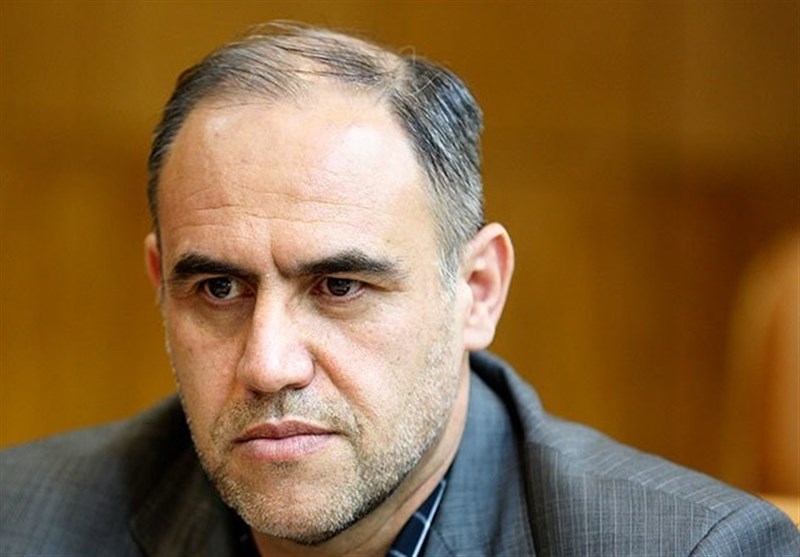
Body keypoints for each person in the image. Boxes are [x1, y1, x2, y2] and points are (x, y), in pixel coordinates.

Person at [1, 23, 797, 557]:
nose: (268, 363)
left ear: (477, 291)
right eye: (217, 287)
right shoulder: (21, 521)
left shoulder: (698, 549)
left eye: (339, 285)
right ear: (159, 286)